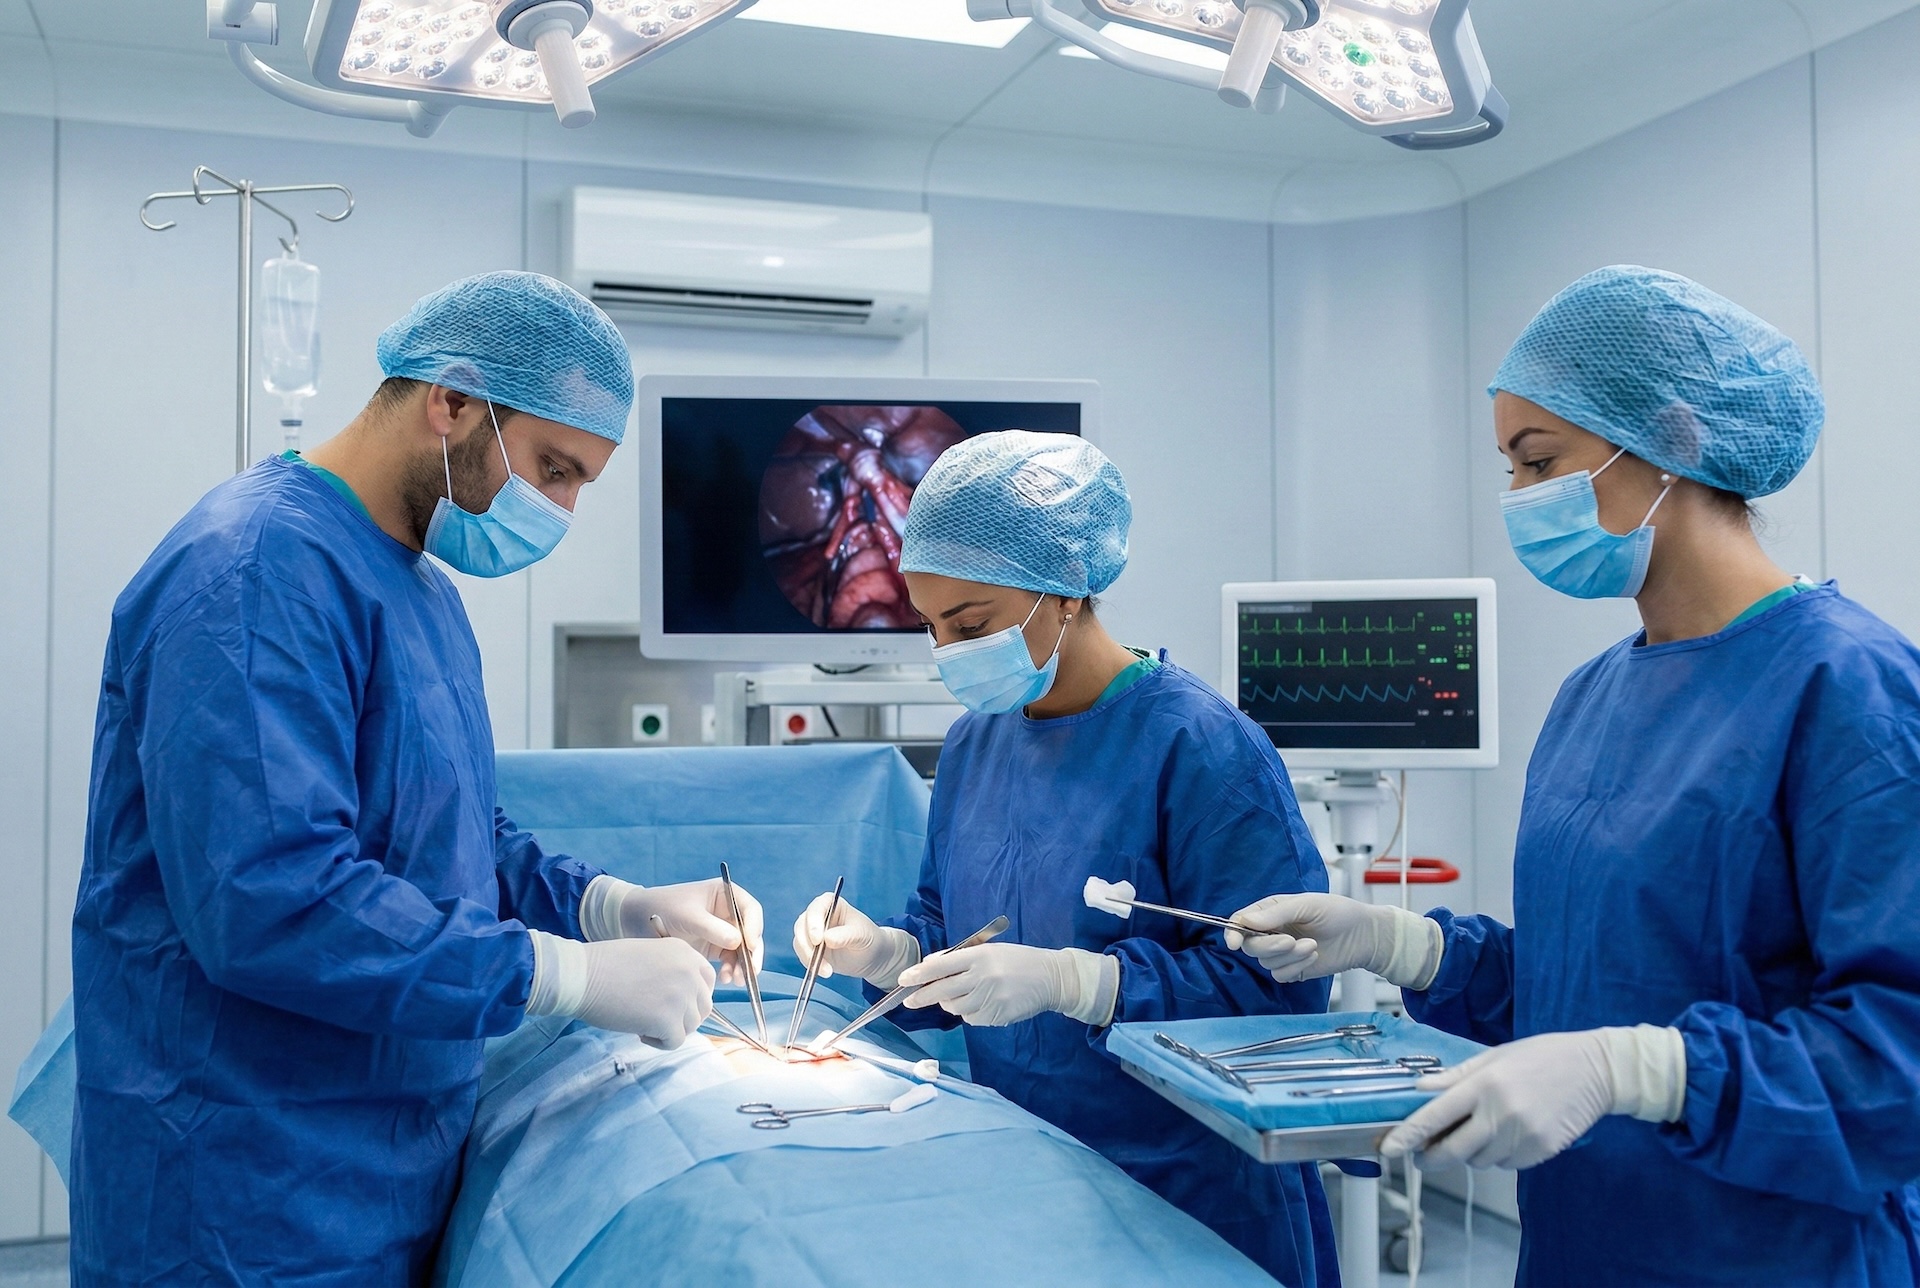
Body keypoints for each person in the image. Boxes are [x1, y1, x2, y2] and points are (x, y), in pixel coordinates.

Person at [69, 272, 766, 1286]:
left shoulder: (420, 588)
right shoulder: (253, 571)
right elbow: (268, 896)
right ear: (451, 401)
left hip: (379, 1164)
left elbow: (450, 830)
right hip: (238, 1186)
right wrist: (562, 975)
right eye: (554, 468)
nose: (561, 509)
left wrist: (611, 906)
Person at [1226, 266, 1920, 1284]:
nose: (1520, 497)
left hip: (1772, 1251)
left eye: (1540, 460)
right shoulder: (1592, 695)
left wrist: (1632, 1069)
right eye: (1511, 467)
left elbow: (1898, 1056)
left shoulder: (1849, 688)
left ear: (1675, 439)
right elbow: (1582, 983)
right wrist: (1396, 941)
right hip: (1583, 1237)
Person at [792, 431, 1339, 1286]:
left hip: (1192, 1196)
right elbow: (957, 933)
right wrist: (890, 955)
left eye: (971, 624)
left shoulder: (1201, 746)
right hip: (1035, 1179)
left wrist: (1078, 983)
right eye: (931, 626)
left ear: (1067, 588)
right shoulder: (975, 743)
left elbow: (1279, 992)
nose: (949, 653)